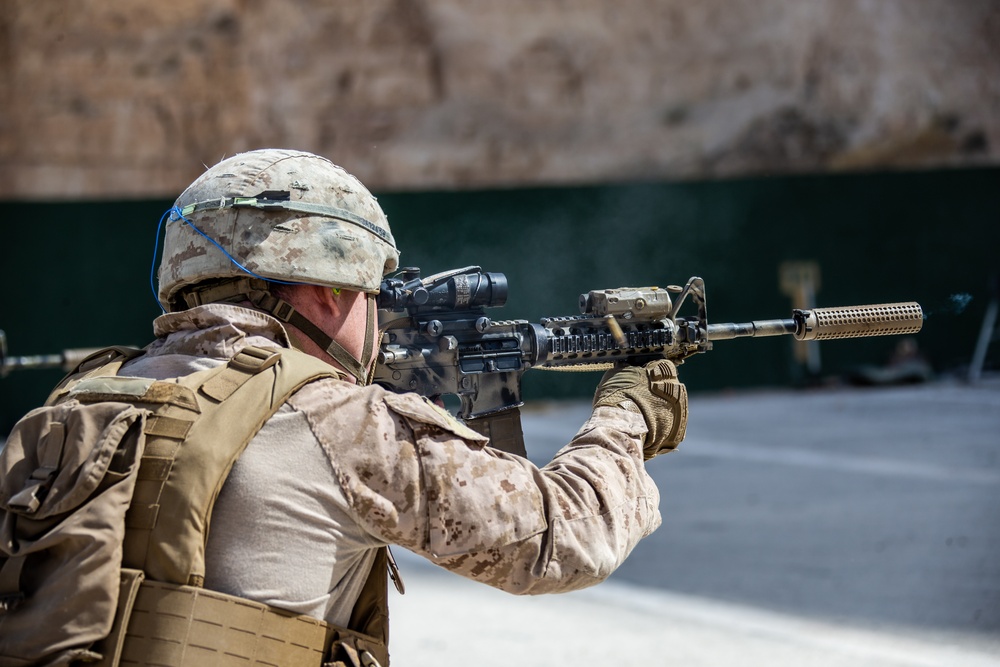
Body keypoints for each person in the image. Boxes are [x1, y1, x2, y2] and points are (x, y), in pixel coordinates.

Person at [108, 149, 689, 665]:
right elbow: (566, 537)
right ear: (329, 288)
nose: (376, 319)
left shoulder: (86, 398)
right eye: (371, 294)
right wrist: (627, 414)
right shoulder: (339, 422)